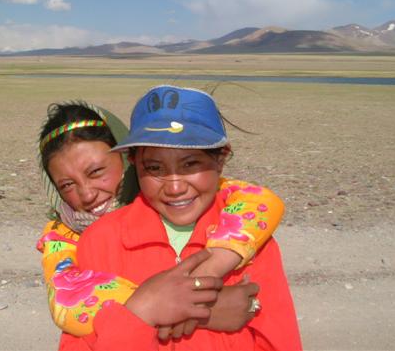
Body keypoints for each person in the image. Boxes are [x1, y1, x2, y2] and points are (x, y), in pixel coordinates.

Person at [58, 85, 302, 350]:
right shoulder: (101, 240)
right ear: (134, 162)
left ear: (221, 158)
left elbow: (278, 337)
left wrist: (246, 306)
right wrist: (153, 310)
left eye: (190, 164)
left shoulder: (253, 239)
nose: (175, 188)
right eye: (154, 167)